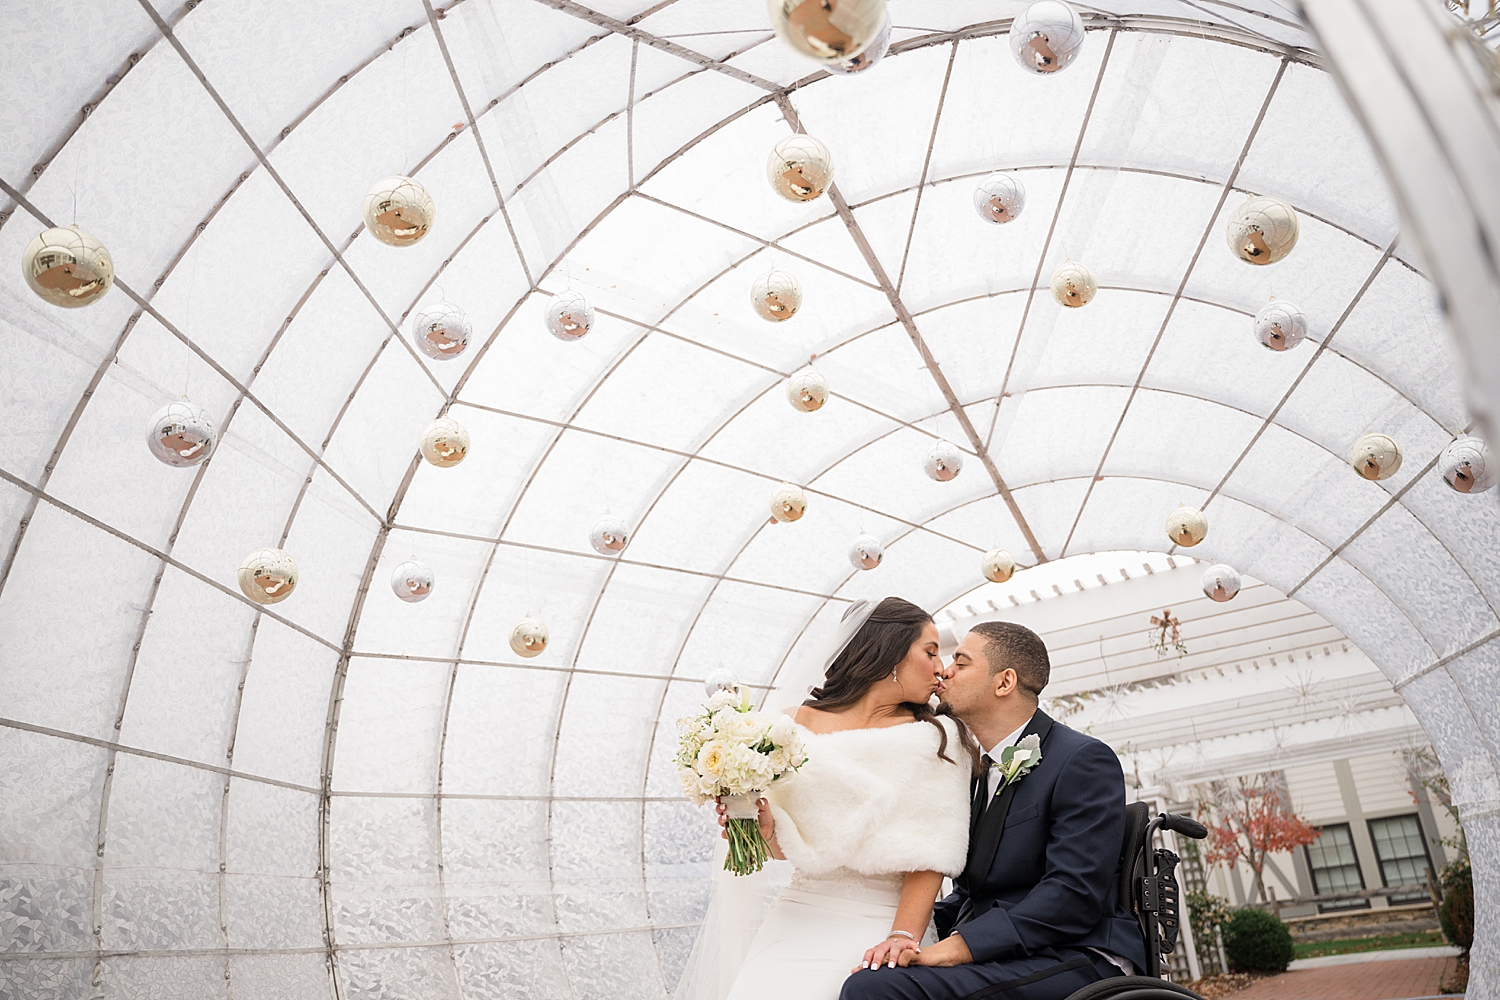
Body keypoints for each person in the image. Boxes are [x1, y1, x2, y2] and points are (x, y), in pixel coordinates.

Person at [678, 597, 977, 1000]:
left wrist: (903, 936)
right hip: (800, 912)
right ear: (889, 652)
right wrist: (761, 828)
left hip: (884, 918)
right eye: (930, 651)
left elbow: (932, 854)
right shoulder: (792, 725)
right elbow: (790, 848)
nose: (941, 667)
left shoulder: (939, 738)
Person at [839, 620, 1146, 1000]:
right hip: (1009, 954)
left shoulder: (1082, 760)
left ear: (1004, 683)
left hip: (1079, 956)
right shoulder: (972, 772)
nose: (944, 671)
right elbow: (973, 894)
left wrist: (953, 948)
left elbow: (1072, 894)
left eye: (961, 663)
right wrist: (903, 932)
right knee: (858, 959)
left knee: (875, 989)